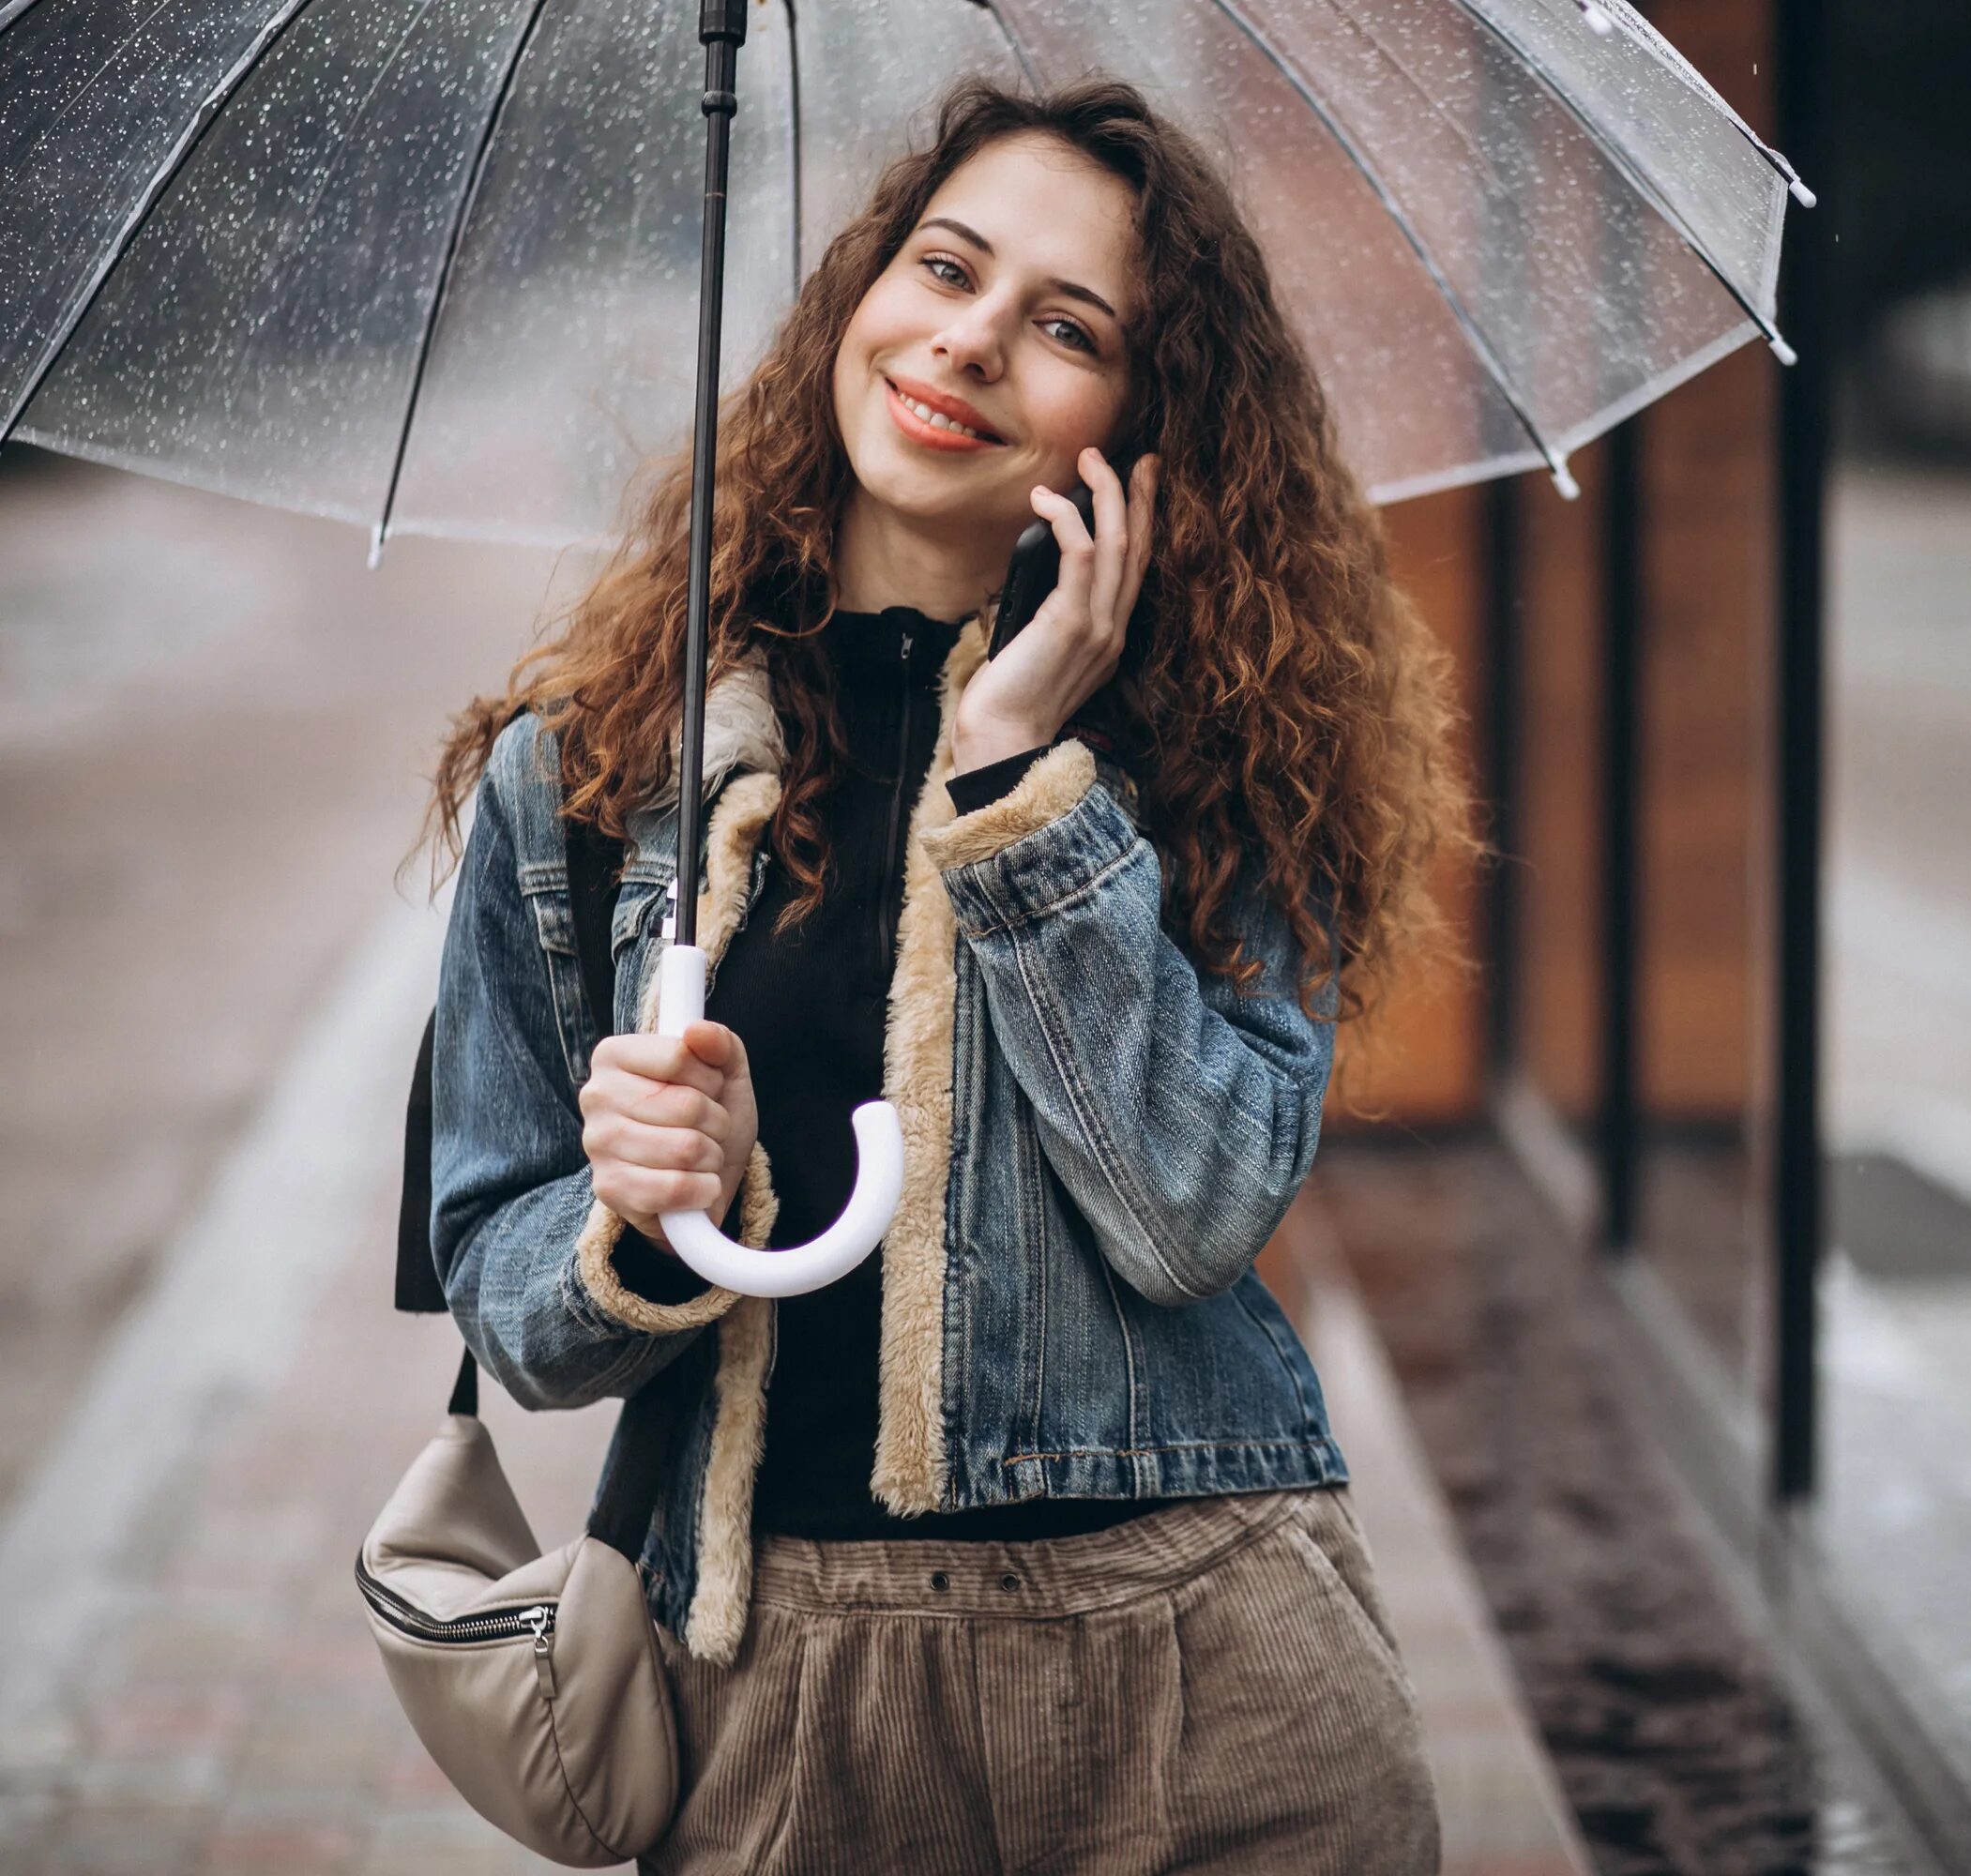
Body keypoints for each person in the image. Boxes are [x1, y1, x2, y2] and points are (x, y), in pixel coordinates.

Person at [416, 71, 1476, 1874]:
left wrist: (1011, 784)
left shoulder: (1220, 752)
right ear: (858, 301)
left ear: (1142, 425)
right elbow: (500, 1288)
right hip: (787, 1703)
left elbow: (1193, 1209)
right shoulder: (593, 766)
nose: (972, 341)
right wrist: (637, 1213)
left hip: (1204, 1662)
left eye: (1064, 326)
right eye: (945, 267)